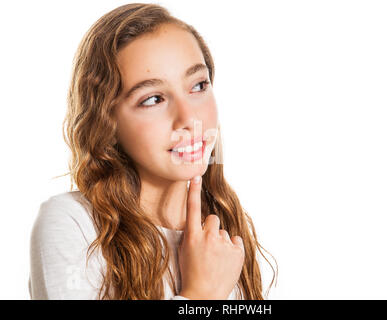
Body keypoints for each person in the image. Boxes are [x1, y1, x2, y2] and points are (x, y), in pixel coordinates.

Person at [29, 3, 277, 300]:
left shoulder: (224, 233)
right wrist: (201, 294)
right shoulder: (74, 224)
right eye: (153, 99)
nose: (189, 119)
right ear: (107, 122)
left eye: (198, 85)